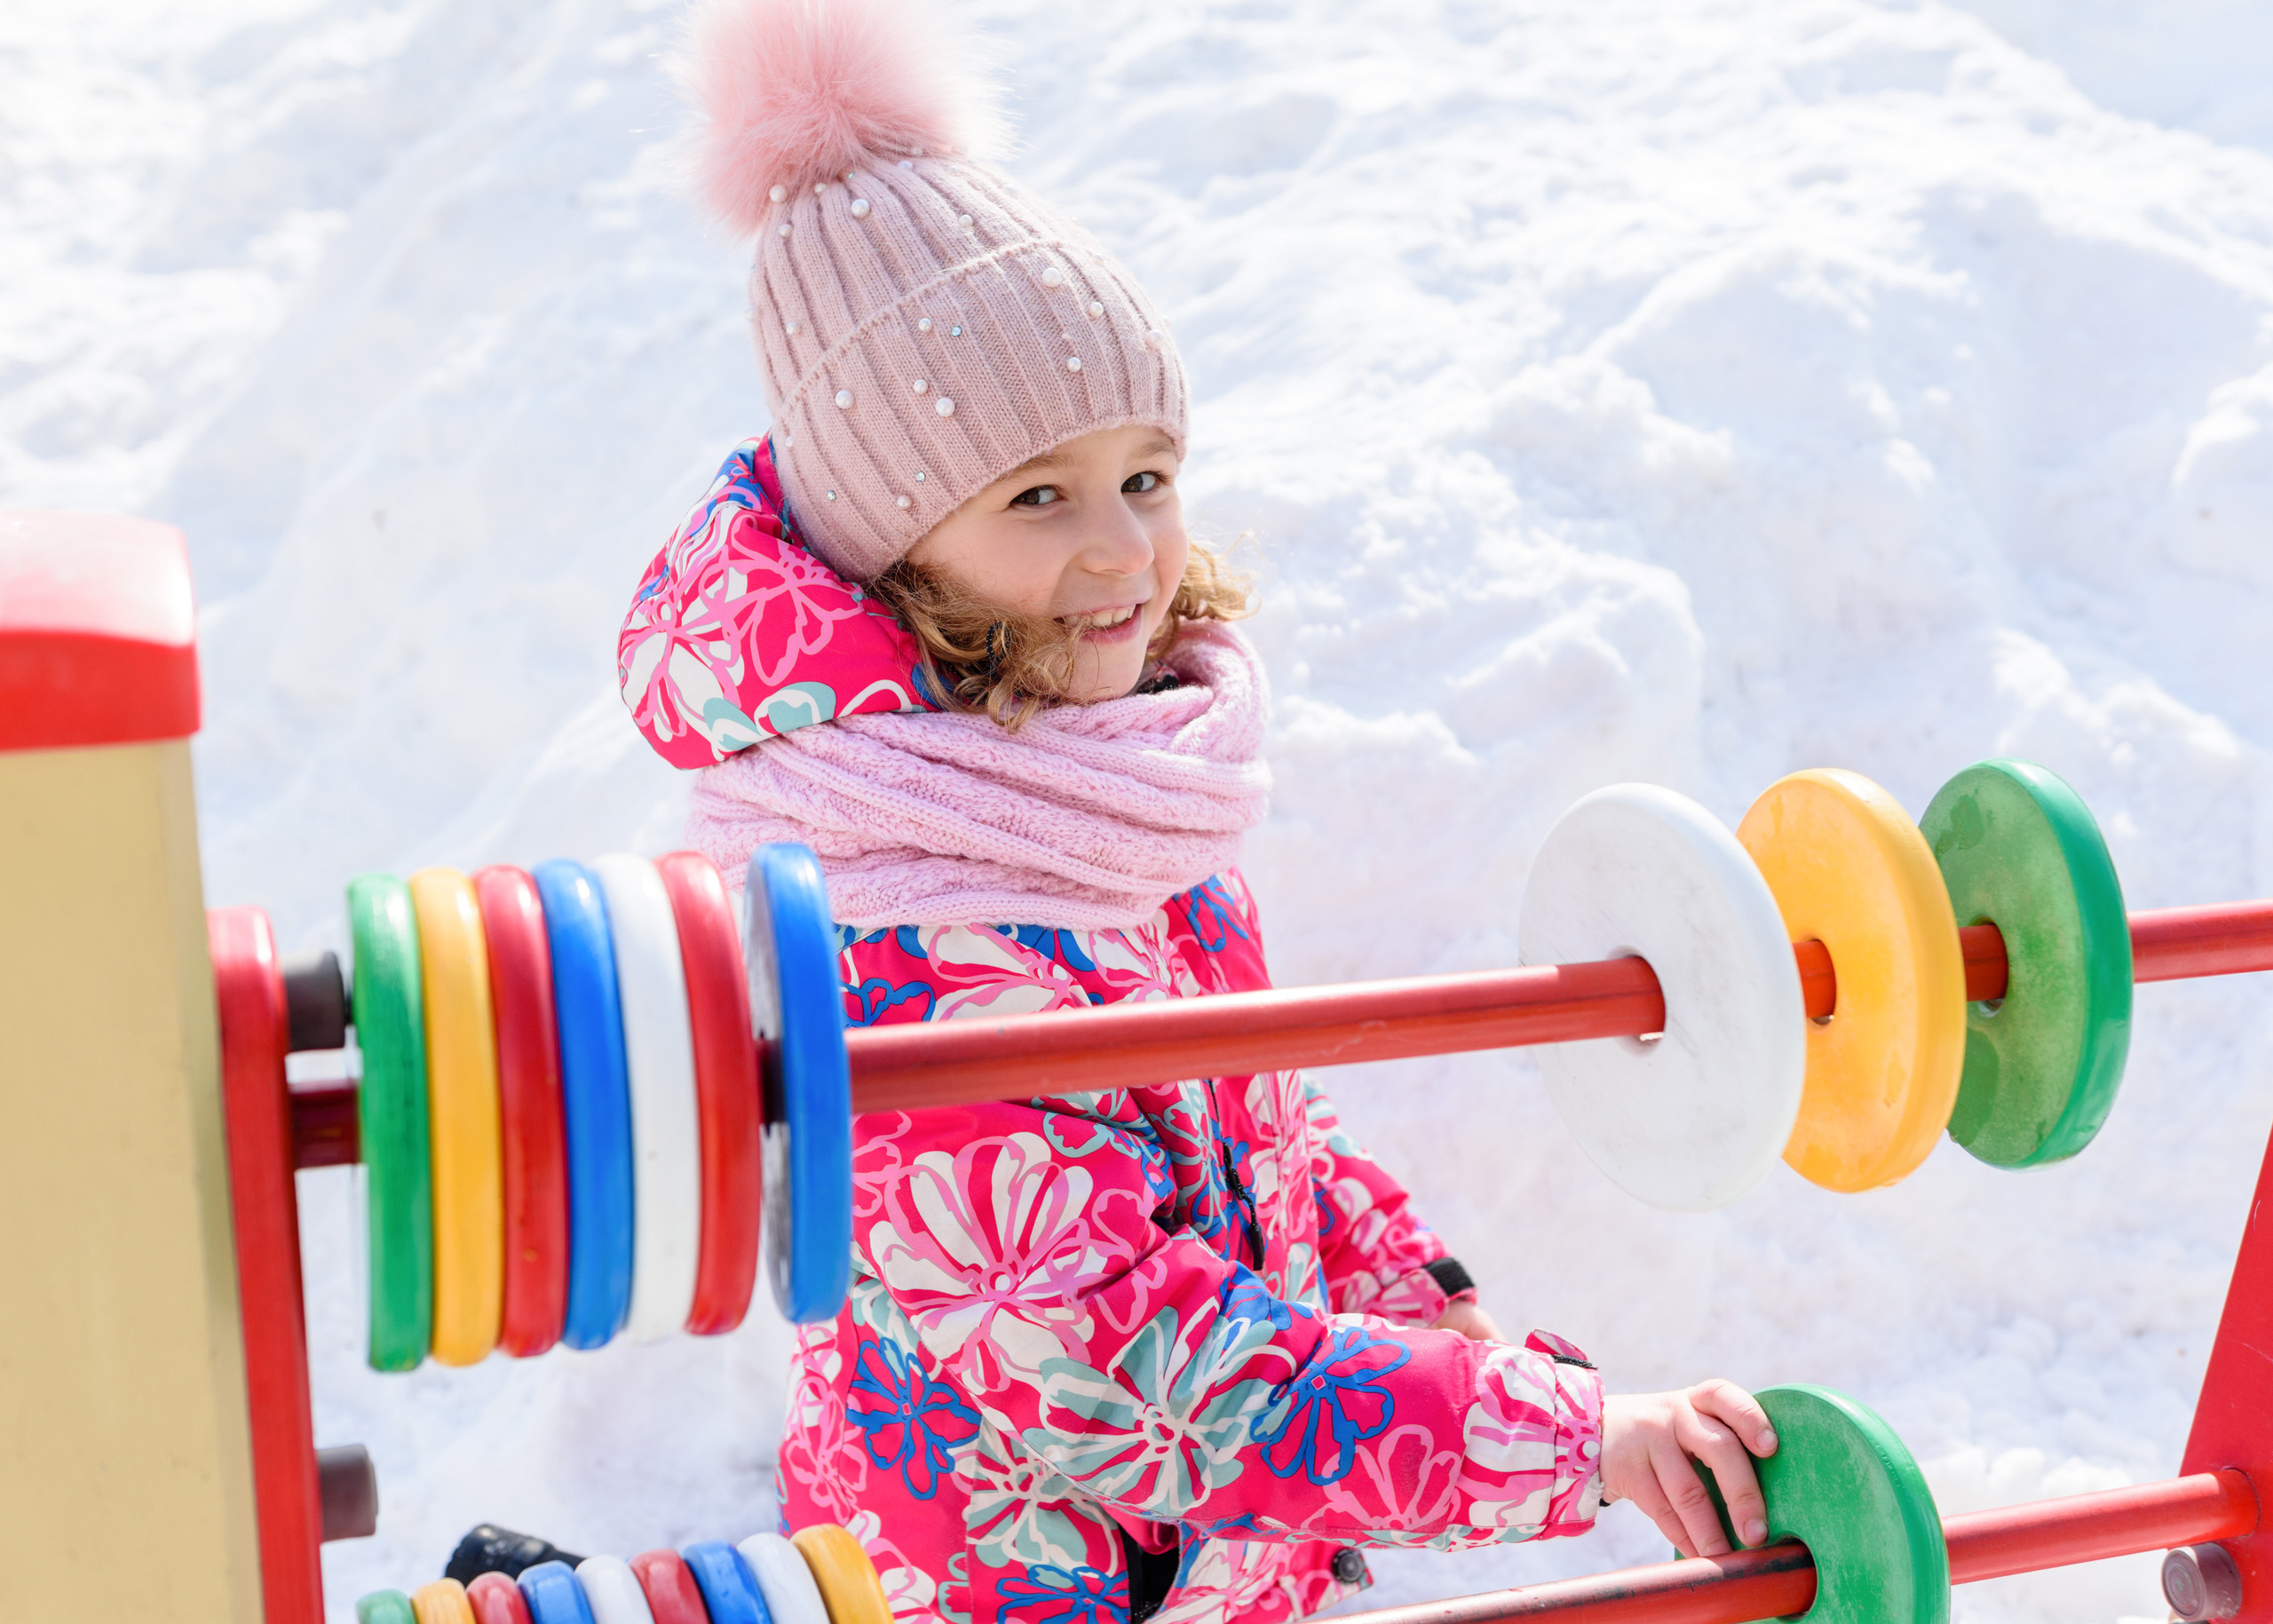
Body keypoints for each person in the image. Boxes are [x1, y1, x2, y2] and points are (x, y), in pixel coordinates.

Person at [615, 3, 1778, 1621]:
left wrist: (1426, 1318)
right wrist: (1566, 1441)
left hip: (1219, 1567)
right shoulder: (889, 940)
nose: (1122, 554)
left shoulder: (1099, 795)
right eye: (1038, 498)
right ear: (892, 542)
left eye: (1146, 475)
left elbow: (1259, 1132)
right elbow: (1151, 1369)